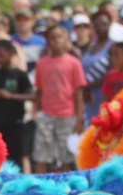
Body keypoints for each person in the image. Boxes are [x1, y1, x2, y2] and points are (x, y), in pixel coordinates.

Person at [33, 25, 85, 173]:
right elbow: (39, 90)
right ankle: (39, 186)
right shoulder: (42, 63)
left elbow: (78, 91)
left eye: (59, 37)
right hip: (47, 115)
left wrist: (79, 118)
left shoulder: (73, 62)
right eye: (52, 38)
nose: (56, 41)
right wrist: (37, 112)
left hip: (67, 115)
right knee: (42, 154)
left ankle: (65, 189)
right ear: (47, 41)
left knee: (66, 156)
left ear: (66, 39)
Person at [0, 39, 33, 168]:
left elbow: (32, 95)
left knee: (16, 157)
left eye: (1, 55)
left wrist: (11, 96)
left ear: (10, 54)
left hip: (15, 124)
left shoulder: (20, 75)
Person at [81, 10, 113, 128]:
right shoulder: (90, 47)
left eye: (103, 24)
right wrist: (84, 90)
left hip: (102, 95)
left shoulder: (113, 47)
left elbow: (111, 75)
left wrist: (87, 87)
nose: (100, 27)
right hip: (87, 98)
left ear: (110, 24)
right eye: (96, 24)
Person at [10, 8, 46, 73]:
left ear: (33, 22)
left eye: (25, 20)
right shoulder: (9, 41)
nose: (22, 23)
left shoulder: (42, 42)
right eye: (19, 20)